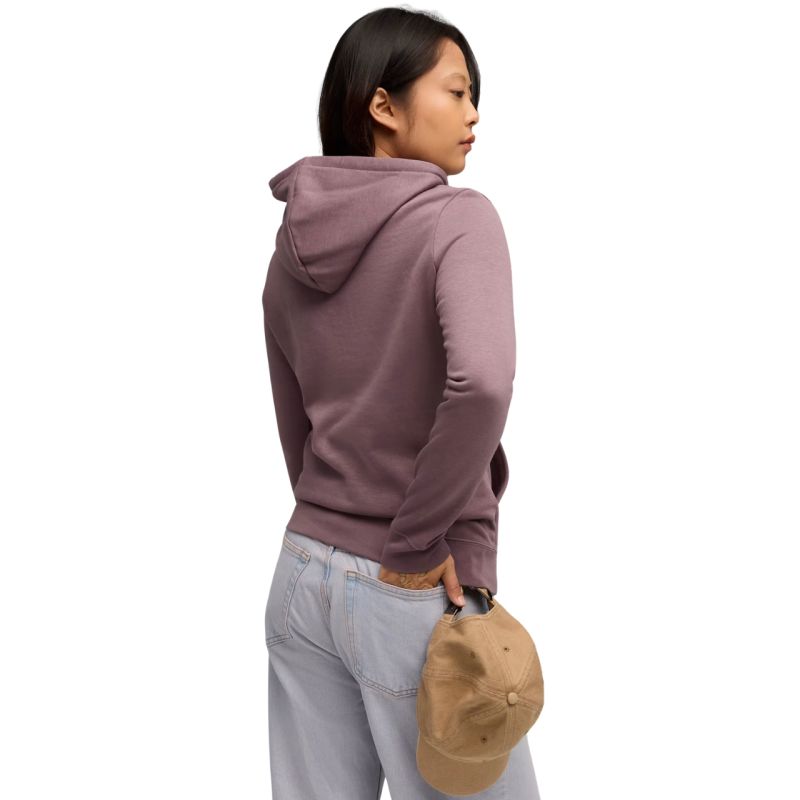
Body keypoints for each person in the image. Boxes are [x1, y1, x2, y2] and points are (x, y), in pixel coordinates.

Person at [262, 7, 541, 798]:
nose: (474, 113)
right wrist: (415, 542)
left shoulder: (288, 254)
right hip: (410, 585)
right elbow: (483, 381)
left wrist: (336, 524)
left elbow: (296, 422)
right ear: (383, 106)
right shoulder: (457, 218)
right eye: (456, 91)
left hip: (302, 571)